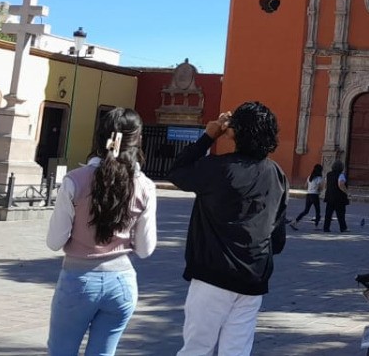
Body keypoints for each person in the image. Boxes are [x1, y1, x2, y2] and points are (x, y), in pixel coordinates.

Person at [168, 102, 288, 356]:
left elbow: (177, 170)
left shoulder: (217, 168)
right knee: (236, 350)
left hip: (213, 275)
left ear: (235, 132)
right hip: (253, 280)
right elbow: (278, 238)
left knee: (197, 348)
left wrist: (209, 136)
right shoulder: (276, 174)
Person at [45, 107, 157, 356]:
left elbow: (54, 241)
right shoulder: (145, 186)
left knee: (61, 351)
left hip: (78, 280)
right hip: (122, 282)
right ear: (138, 139)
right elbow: (145, 249)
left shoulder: (74, 180)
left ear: (99, 137)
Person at [288, 163, 324, 230]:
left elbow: (305, 186)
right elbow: (320, 187)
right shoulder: (319, 178)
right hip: (315, 195)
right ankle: (316, 226)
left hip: (309, 195)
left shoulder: (309, 177)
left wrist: (311, 188)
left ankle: (295, 221)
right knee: (317, 211)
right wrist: (319, 190)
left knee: (306, 210)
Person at [323, 160, 349, 232]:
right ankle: (343, 228)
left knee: (328, 213)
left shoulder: (328, 174)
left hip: (329, 196)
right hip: (339, 197)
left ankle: (326, 228)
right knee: (340, 214)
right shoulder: (341, 175)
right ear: (341, 168)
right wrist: (347, 192)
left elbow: (325, 185)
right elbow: (341, 185)